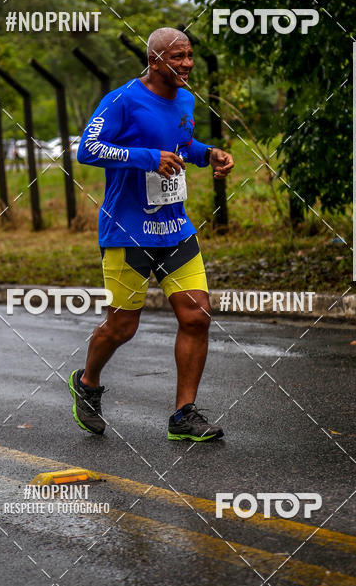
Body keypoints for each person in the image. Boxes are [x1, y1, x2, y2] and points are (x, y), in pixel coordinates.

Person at [70, 27, 234, 441]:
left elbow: (181, 145)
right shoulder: (122, 100)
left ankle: (184, 415)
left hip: (175, 228)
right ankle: (87, 383)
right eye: (178, 57)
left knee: (196, 315)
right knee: (122, 327)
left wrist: (208, 153)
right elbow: (88, 148)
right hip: (127, 232)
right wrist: (147, 158)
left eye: (190, 55)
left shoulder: (185, 99)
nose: (187, 64)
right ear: (155, 60)